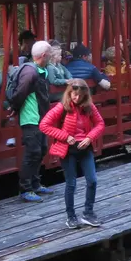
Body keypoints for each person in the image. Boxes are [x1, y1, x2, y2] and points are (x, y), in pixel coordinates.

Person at [40, 78, 106, 229]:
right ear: (69, 93)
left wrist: (90, 138)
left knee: (92, 180)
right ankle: (71, 216)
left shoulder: (89, 107)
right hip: (68, 150)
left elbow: (100, 124)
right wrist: (65, 136)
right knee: (71, 184)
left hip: (85, 147)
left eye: (80, 96)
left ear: (85, 95)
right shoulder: (61, 107)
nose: (76, 98)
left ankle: (88, 213)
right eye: (73, 95)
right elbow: (44, 125)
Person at [10, 40, 54, 203]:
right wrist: (15, 108)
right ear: (44, 55)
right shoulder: (30, 72)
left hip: (40, 118)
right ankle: (25, 189)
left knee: (41, 150)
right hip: (31, 118)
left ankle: (35, 184)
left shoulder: (40, 70)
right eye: (49, 53)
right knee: (32, 152)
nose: (51, 56)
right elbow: (20, 93)